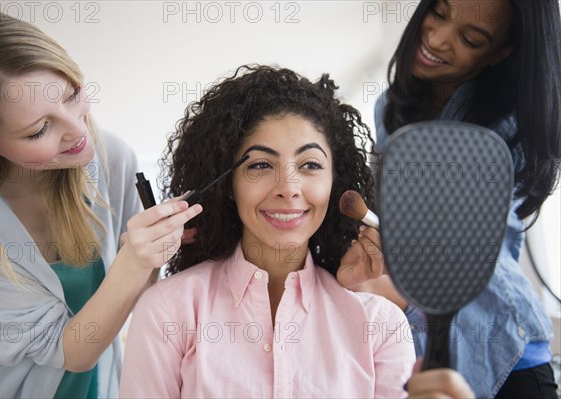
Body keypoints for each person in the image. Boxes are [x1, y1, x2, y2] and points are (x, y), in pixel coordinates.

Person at [119, 65, 416, 398]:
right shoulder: (168, 310)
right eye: (260, 165)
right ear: (228, 183)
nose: (288, 188)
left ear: (336, 183)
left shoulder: (380, 324)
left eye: (310, 165)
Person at [0, 5, 202, 398]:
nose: (79, 130)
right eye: (40, 129)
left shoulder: (111, 158)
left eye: (73, 94)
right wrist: (135, 262)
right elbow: (71, 351)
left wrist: (151, 258)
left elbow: (130, 302)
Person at [338, 0, 561, 397]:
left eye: (471, 39)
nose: (437, 40)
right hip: (427, 339)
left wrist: (382, 287)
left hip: (506, 343)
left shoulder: (507, 130)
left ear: (501, 51)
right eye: (438, 14)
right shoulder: (391, 106)